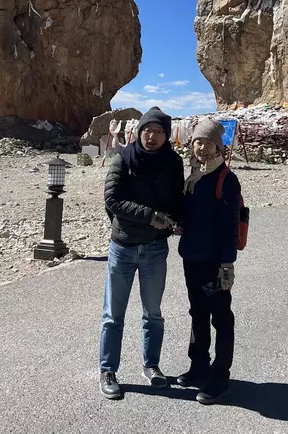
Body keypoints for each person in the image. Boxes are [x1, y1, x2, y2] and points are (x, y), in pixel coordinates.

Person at [99, 107, 184, 400]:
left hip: (155, 249)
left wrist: (177, 220)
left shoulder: (173, 163)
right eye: (148, 130)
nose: (152, 136)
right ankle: (108, 370)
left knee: (153, 314)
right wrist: (149, 215)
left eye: (159, 131)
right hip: (123, 247)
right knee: (113, 315)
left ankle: (152, 366)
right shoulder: (123, 158)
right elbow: (112, 199)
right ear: (139, 131)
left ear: (166, 135)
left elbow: (177, 200)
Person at [176, 118, 241, 405]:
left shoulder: (226, 179)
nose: (201, 147)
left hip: (214, 263)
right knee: (197, 313)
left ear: (218, 146)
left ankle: (220, 377)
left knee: (221, 318)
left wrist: (227, 264)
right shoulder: (194, 175)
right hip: (192, 257)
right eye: (197, 141)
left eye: (208, 142)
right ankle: (198, 366)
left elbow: (230, 226)